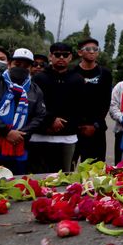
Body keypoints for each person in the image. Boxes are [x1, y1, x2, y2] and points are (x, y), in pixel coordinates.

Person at [28, 43, 83, 174]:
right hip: (39, 136)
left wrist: (62, 122)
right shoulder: (38, 78)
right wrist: (50, 120)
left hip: (66, 136)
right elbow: (33, 104)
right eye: (57, 55)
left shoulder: (77, 79)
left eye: (65, 55)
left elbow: (80, 107)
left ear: (70, 57)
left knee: (63, 177)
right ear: (50, 56)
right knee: (37, 177)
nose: (61, 57)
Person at [72, 38, 113, 166]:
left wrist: (94, 125)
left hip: (96, 129)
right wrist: (76, 124)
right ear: (80, 53)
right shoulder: (72, 72)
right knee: (68, 167)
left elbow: (105, 102)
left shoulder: (105, 73)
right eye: (88, 49)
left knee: (95, 170)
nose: (92, 52)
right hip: (73, 129)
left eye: (95, 49)